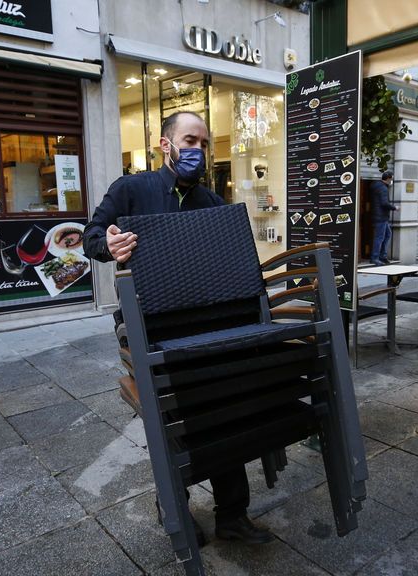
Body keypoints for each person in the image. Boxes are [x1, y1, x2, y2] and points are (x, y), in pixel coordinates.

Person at [84, 111, 274, 547]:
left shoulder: (212, 202)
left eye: (204, 143)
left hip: (206, 321)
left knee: (228, 404)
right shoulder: (131, 189)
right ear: (165, 145)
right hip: (147, 326)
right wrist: (108, 244)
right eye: (191, 141)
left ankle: (232, 514)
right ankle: (173, 505)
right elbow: (92, 235)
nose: (199, 151)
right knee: (174, 413)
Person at [369, 170, 397, 265]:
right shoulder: (383, 188)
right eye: (391, 179)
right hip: (381, 217)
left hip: (380, 216)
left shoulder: (377, 185)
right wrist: (395, 207)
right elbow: (384, 203)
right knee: (379, 237)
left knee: (387, 234)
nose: (391, 181)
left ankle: (382, 256)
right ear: (388, 179)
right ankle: (375, 258)